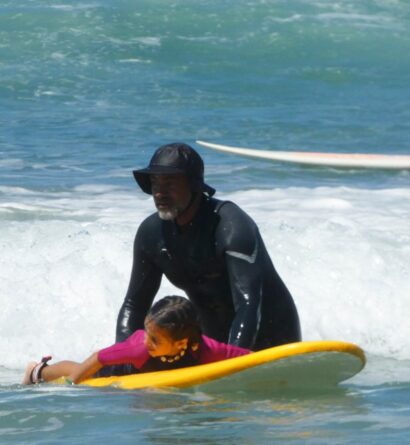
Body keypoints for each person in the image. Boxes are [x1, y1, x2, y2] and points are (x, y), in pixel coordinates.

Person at [118, 142, 301, 352]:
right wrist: (122, 357)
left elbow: (248, 306)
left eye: (170, 182)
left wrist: (232, 360)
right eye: (155, 183)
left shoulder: (231, 226)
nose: (159, 192)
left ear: (194, 184)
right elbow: (135, 306)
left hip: (272, 336)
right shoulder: (152, 234)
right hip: (211, 340)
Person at [23, 296, 250, 384]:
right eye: (147, 333)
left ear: (181, 343)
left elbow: (245, 358)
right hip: (125, 367)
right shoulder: (140, 348)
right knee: (80, 370)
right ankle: (37, 371)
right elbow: (98, 358)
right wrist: (72, 385)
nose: (148, 341)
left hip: (153, 371)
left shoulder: (205, 348)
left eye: (155, 339)